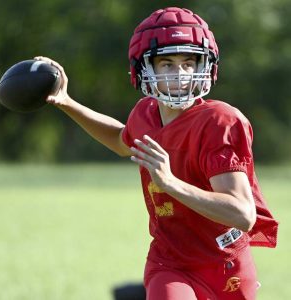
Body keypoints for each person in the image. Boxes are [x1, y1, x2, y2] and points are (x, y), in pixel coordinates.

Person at [36, 7, 278, 300]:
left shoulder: (220, 121)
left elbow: (241, 214)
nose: (181, 74)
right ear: (144, 69)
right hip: (170, 263)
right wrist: (66, 101)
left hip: (226, 266)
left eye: (189, 62)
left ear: (206, 64)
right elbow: (121, 139)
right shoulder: (145, 114)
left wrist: (170, 182)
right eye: (167, 64)